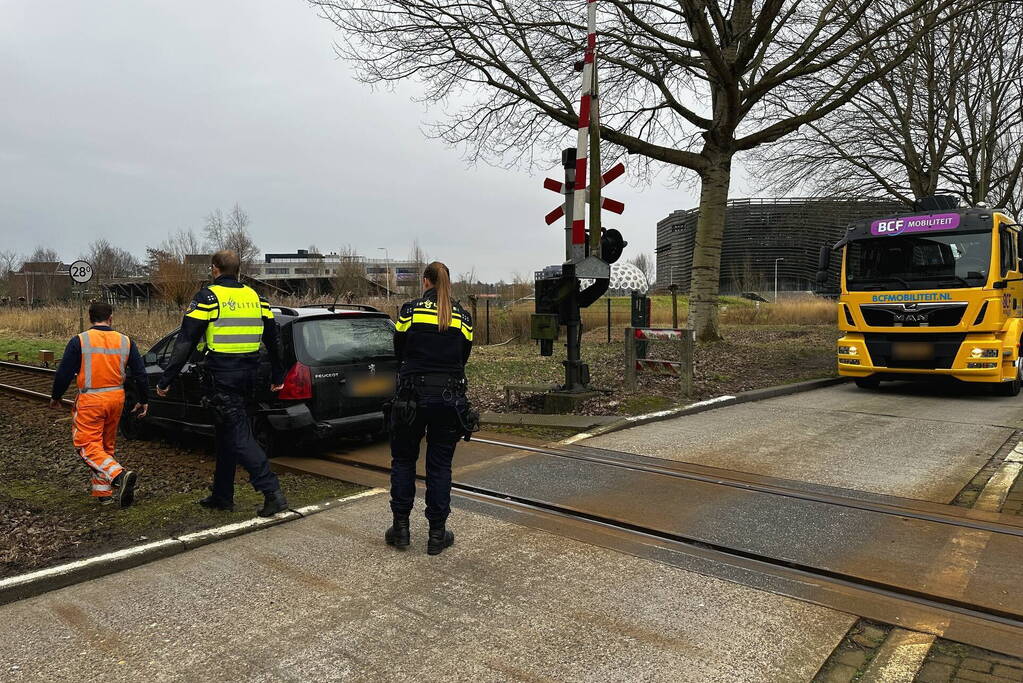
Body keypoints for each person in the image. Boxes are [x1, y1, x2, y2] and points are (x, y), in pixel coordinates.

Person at [155, 249, 288, 517]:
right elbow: (273, 340)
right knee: (228, 435)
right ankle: (222, 495)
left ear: (215, 268)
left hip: (223, 376)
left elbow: (186, 341)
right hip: (251, 376)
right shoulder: (256, 297)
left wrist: (166, 378)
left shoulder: (208, 297)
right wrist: (277, 375)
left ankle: (271, 490)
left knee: (238, 435)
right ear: (237, 269)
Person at [387, 261, 476, 555]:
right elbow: (463, 359)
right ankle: (437, 535)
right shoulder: (462, 317)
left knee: (403, 460)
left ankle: (401, 529)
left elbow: (398, 350)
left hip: (410, 397)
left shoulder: (409, 311)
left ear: (426, 282)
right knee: (439, 467)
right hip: (448, 399)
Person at [50, 302, 147, 507]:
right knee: (104, 446)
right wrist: (144, 399)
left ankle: (119, 476)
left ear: (90, 318)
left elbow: (64, 373)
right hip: (116, 399)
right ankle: (103, 494)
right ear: (110, 318)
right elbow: (140, 373)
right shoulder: (126, 341)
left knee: (86, 444)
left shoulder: (80, 341)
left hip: (91, 400)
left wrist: (56, 396)